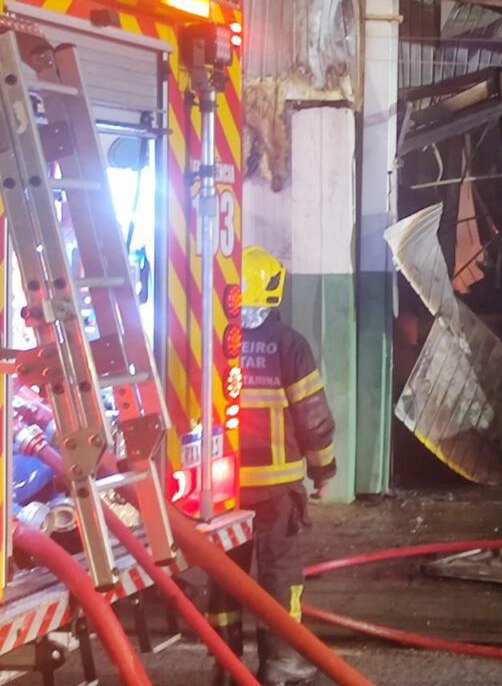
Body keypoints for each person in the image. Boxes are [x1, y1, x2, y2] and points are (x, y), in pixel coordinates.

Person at [209, 247, 337, 686]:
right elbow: (313, 419)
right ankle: (280, 665)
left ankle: (226, 670)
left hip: (224, 492)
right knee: (280, 575)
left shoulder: (217, 343)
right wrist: (324, 471)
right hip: (277, 491)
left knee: (226, 578)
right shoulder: (290, 346)